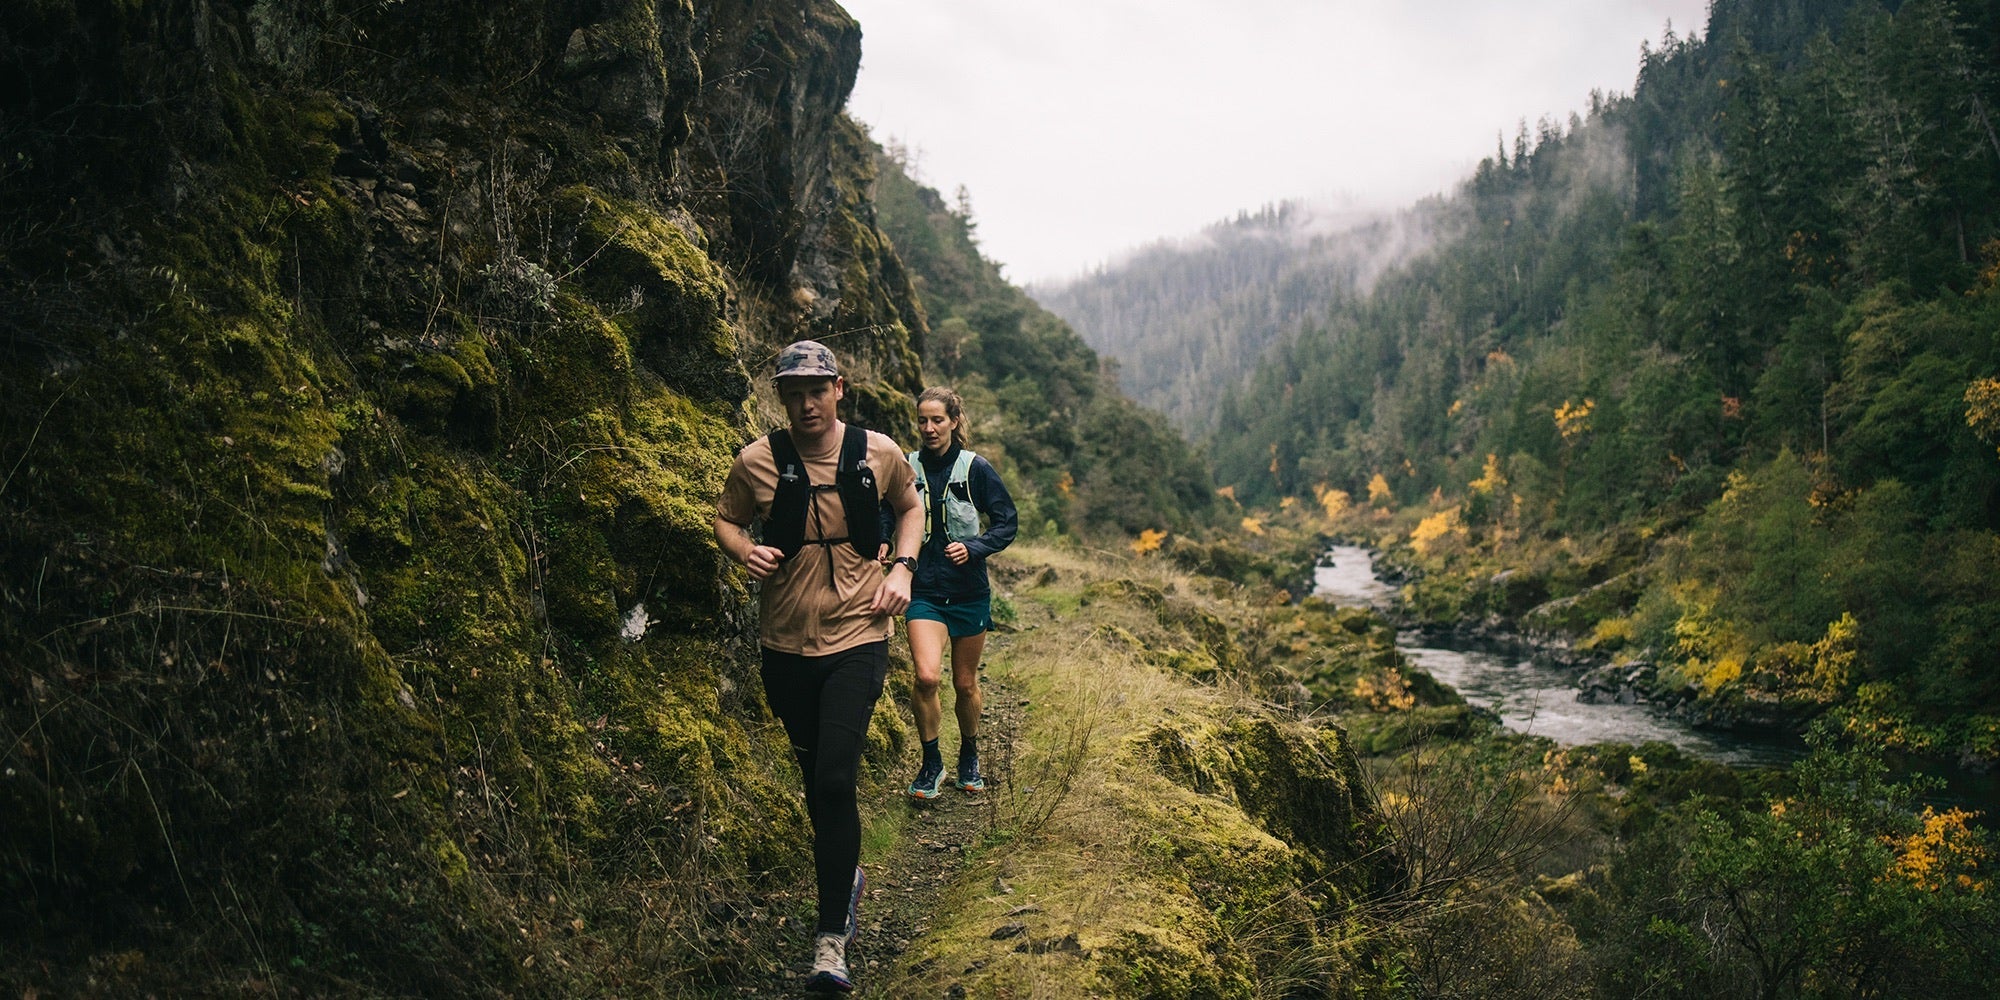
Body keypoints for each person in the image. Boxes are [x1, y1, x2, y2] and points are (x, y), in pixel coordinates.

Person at [713, 340, 922, 994]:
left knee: (834, 777)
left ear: (837, 389)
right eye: (792, 394)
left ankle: (831, 940)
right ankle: (847, 871)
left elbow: (912, 509)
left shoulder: (878, 453)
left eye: (815, 390)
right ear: (782, 399)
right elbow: (725, 519)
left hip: (860, 632)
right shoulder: (757, 462)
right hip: (785, 645)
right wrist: (743, 549)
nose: (805, 404)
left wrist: (904, 571)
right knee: (815, 778)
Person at [901, 386, 1017, 801]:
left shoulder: (976, 469)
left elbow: (1007, 522)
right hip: (924, 592)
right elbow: (886, 511)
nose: (929, 428)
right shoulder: (906, 466)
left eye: (938, 420)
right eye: (922, 420)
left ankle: (969, 754)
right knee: (927, 677)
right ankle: (932, 763)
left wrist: (974, 547)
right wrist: (885, 541)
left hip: (969, 593)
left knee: (965, 684)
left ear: (954, 422)